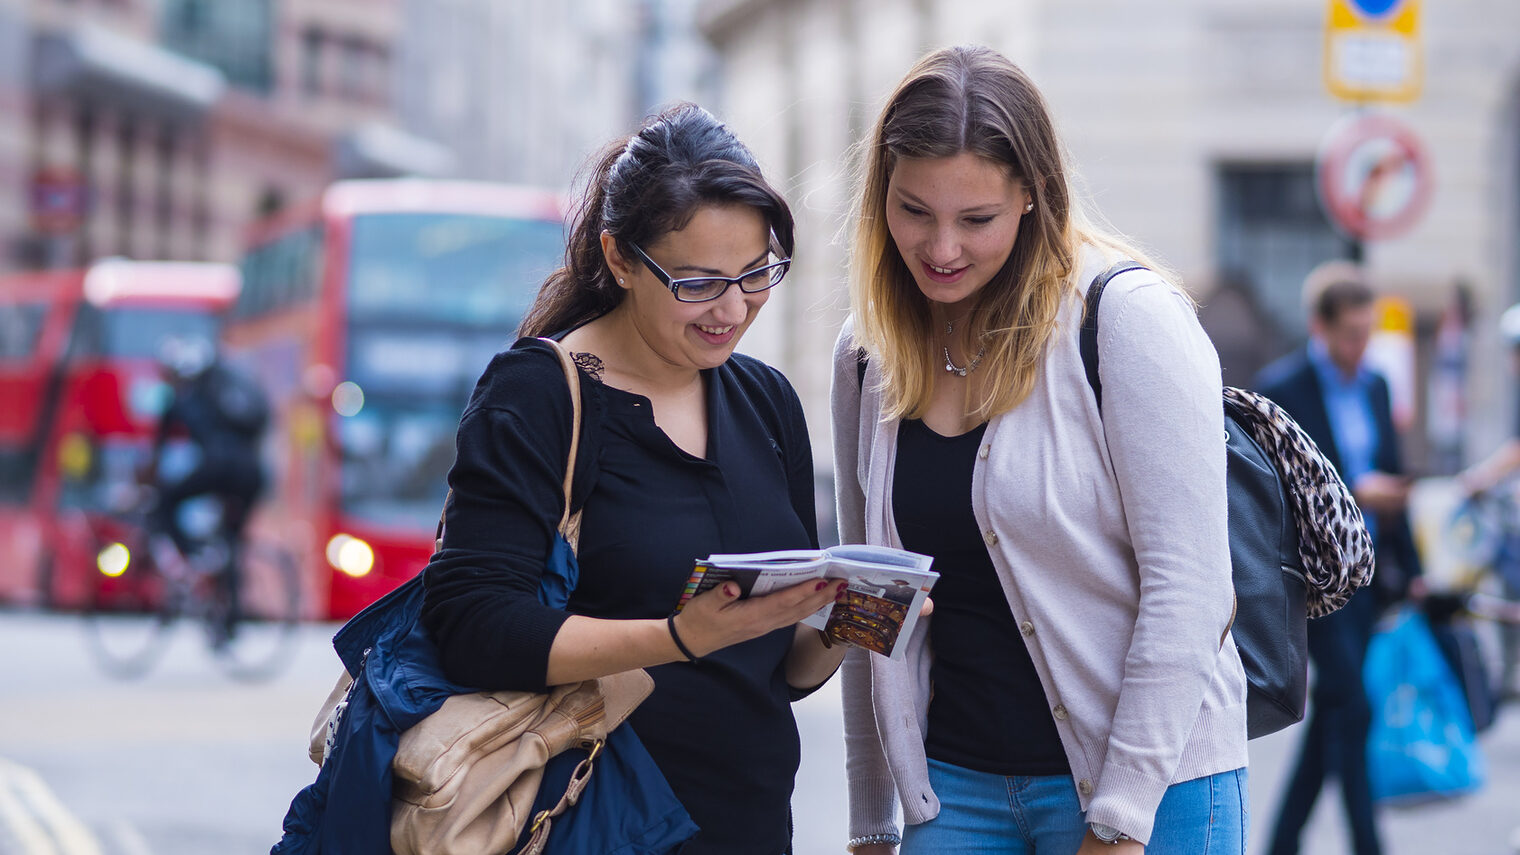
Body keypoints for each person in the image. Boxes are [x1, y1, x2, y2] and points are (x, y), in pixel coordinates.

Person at [832, 45, 1247, 855]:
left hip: (1153, 787)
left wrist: (1120, 820)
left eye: (975, 219)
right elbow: (866, 598)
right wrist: (871, 814)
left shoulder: (1126, 320)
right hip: (949, 795)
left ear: (1031, 195)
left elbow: (1190, 589)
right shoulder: (866, 353)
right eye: (914, 210)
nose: (941, 248)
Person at [419, 102, 849, 855]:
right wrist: (676, 636)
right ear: (620, 259)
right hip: (592, 820)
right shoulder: (542, 393)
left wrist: (849, 619)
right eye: (699, 282)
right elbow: (472, 625)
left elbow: (773, 670)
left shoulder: (767, 400)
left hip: (748, 828)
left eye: (757, 274)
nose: (733, 307)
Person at [1255, 261, 1424, 855]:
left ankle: (1281, 844)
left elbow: (1395, 475)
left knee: (1335, 713)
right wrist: (1355, 487)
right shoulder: (1282, 389)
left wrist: (1416, 574)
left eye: (1367, 332)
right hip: (1316, 582)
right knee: (1351, 704)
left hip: (1372, 574)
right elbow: (1277, 493)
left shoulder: (1376, 384)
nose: (1360, 345)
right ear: (1319, 327)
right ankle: (1369, 844)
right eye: (1350, 333)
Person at [146, 334, 268, 636]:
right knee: (232, 540)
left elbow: (156, 453)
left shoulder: (181, 398)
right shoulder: (225, 390)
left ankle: (193, 556)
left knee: (166, 500)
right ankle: (229, 619)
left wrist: (148, 480)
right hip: (253, 472)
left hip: (219, 467)